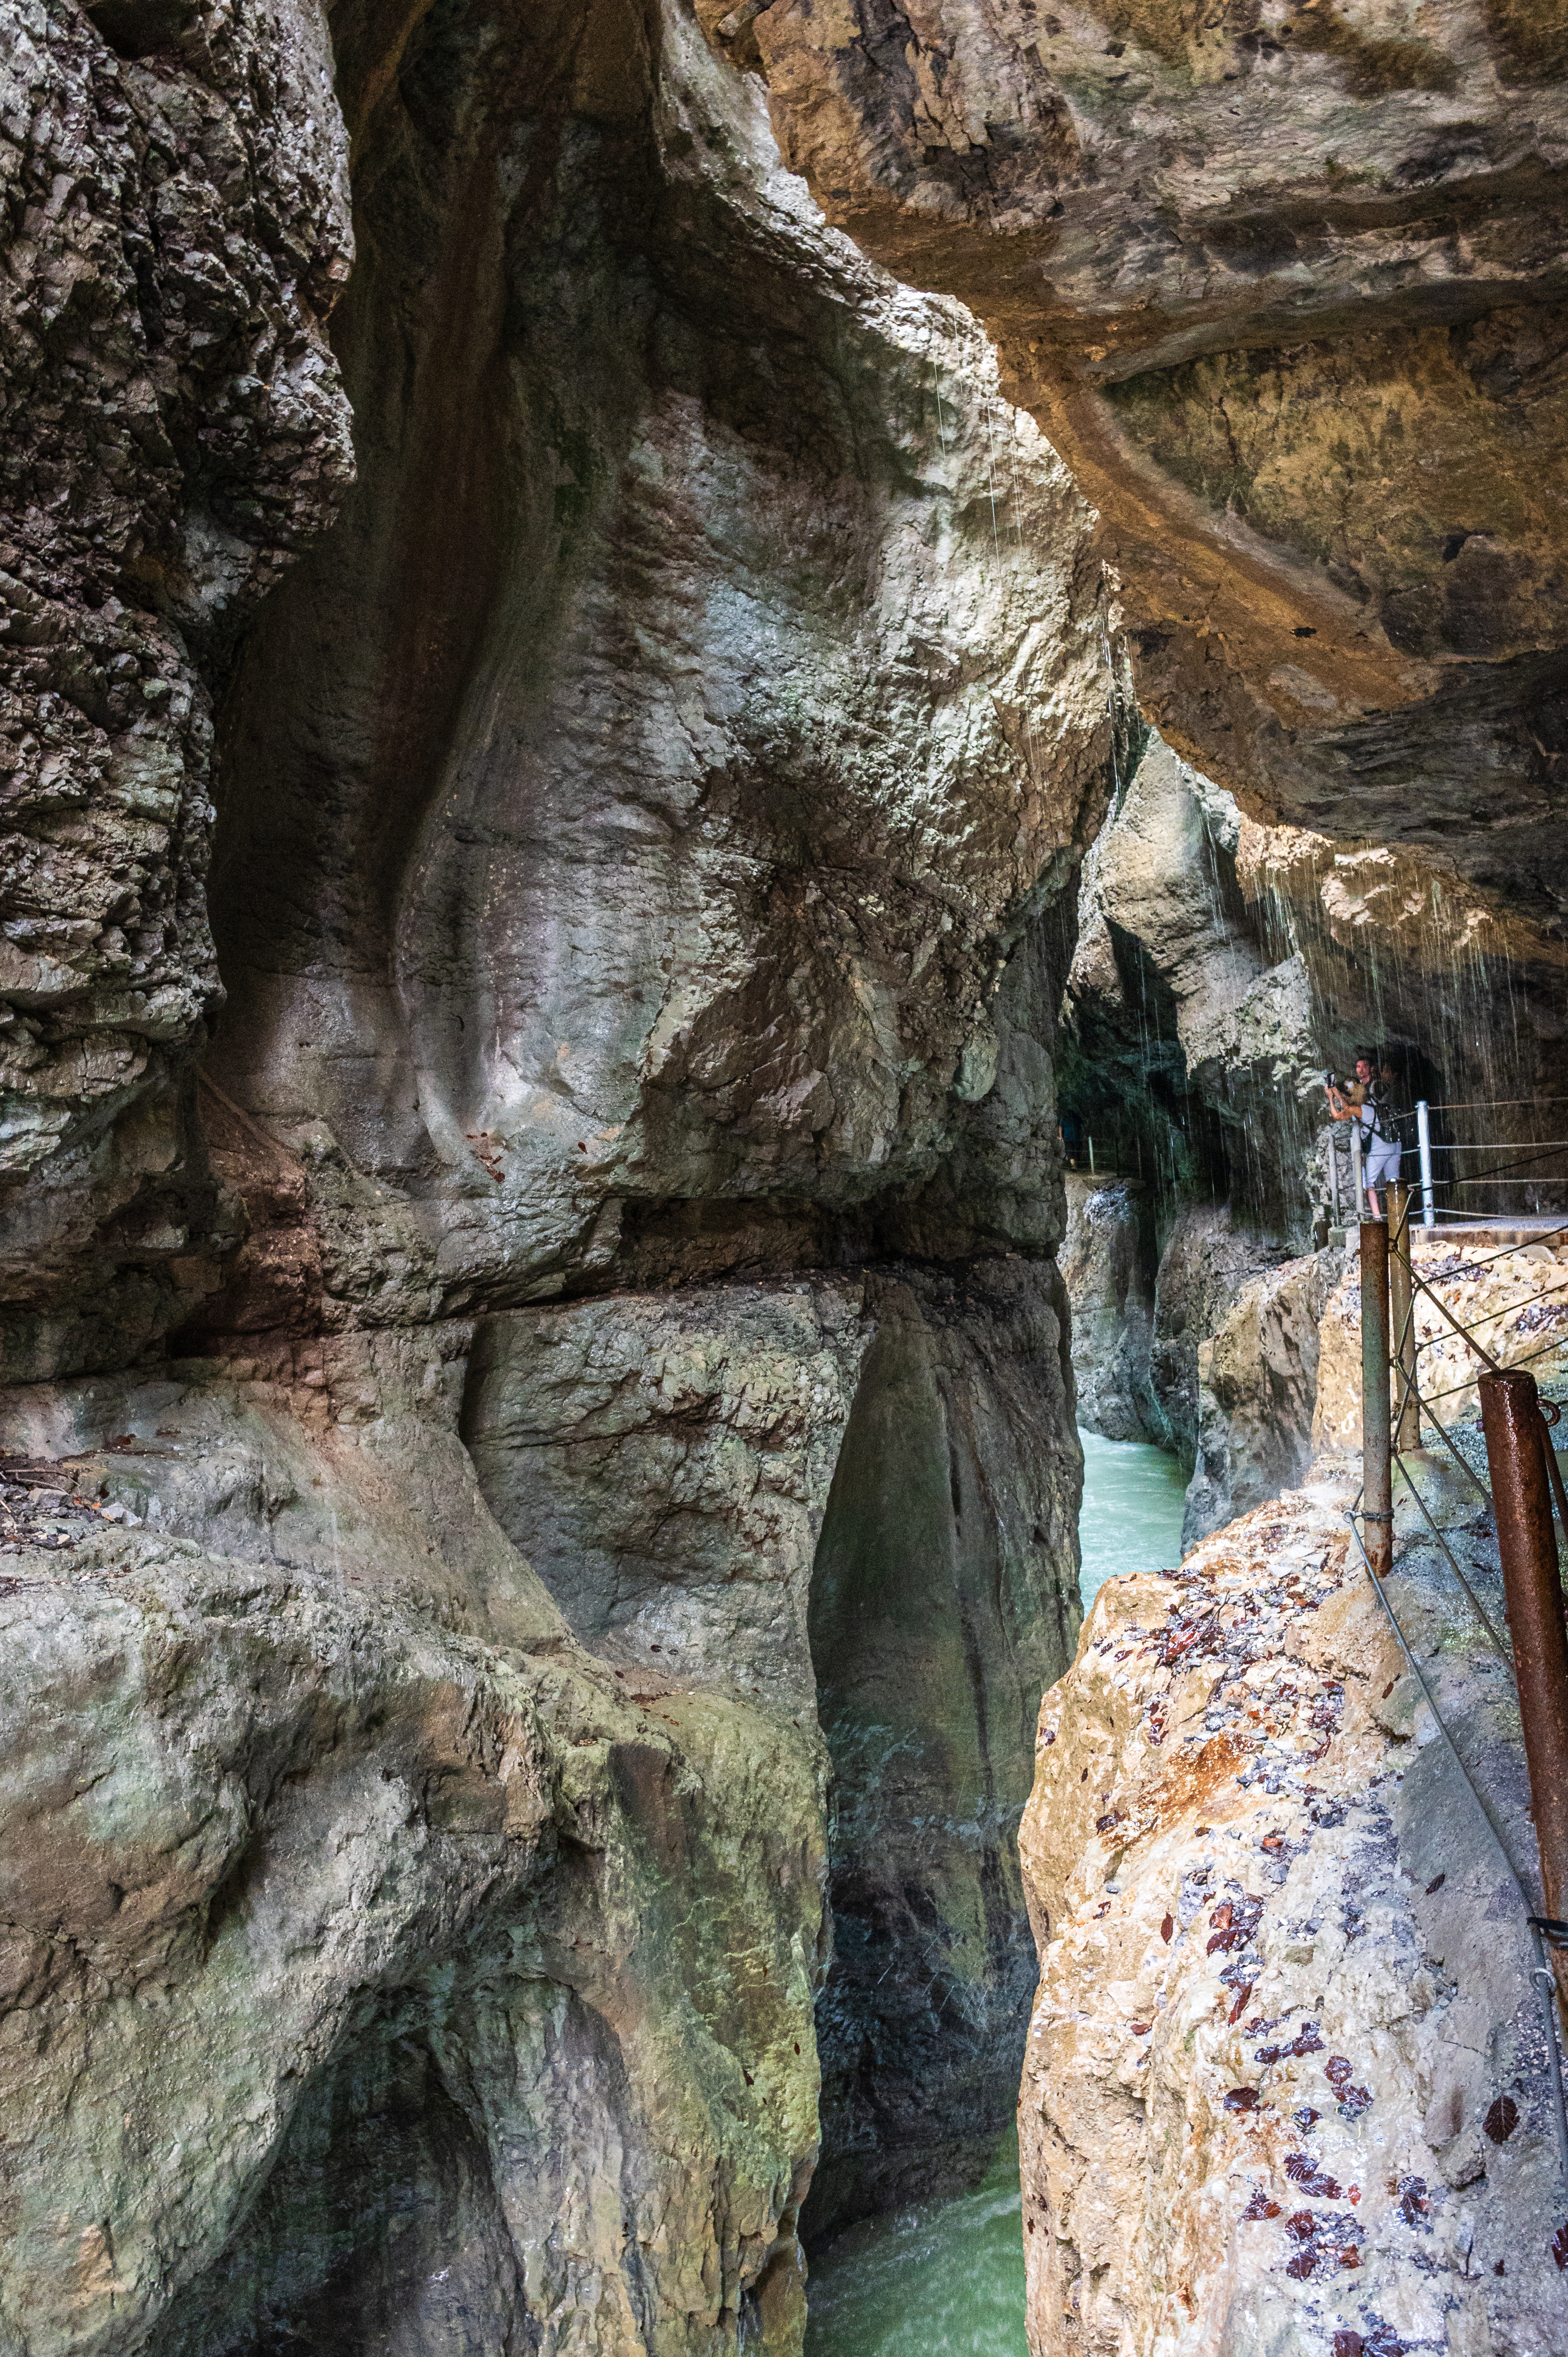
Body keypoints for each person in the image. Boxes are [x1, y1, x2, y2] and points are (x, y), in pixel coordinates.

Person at [1326, 1051, 1402, 1219]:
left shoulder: (1358, 1108)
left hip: (1380, 1146)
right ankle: (1397, 1218)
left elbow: (1338, 1115)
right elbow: (1348, 1104)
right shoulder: (1372, 1103)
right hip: (1394, 1142)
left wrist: (1331, 1098)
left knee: (1369, 1185)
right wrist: (1338, 1093)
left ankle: (1378, 1219)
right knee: (1394, 1182)